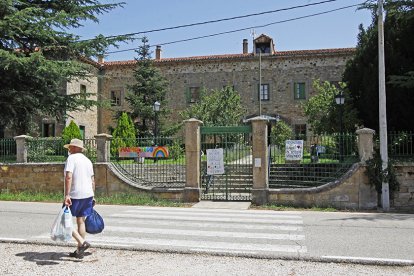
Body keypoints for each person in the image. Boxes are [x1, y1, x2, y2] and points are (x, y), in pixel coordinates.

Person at [63, 138, 95, 258]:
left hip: (75, 195)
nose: (69, 149)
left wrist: (67, 195)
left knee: (64, 221)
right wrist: (93, 195)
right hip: (88, 194)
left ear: (77, 148)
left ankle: (82, 243)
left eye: (71, 147)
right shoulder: (88, 161)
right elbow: (92, 180)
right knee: (80, 221)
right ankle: (79, 251)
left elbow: (68, 177)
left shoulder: (71, 159)